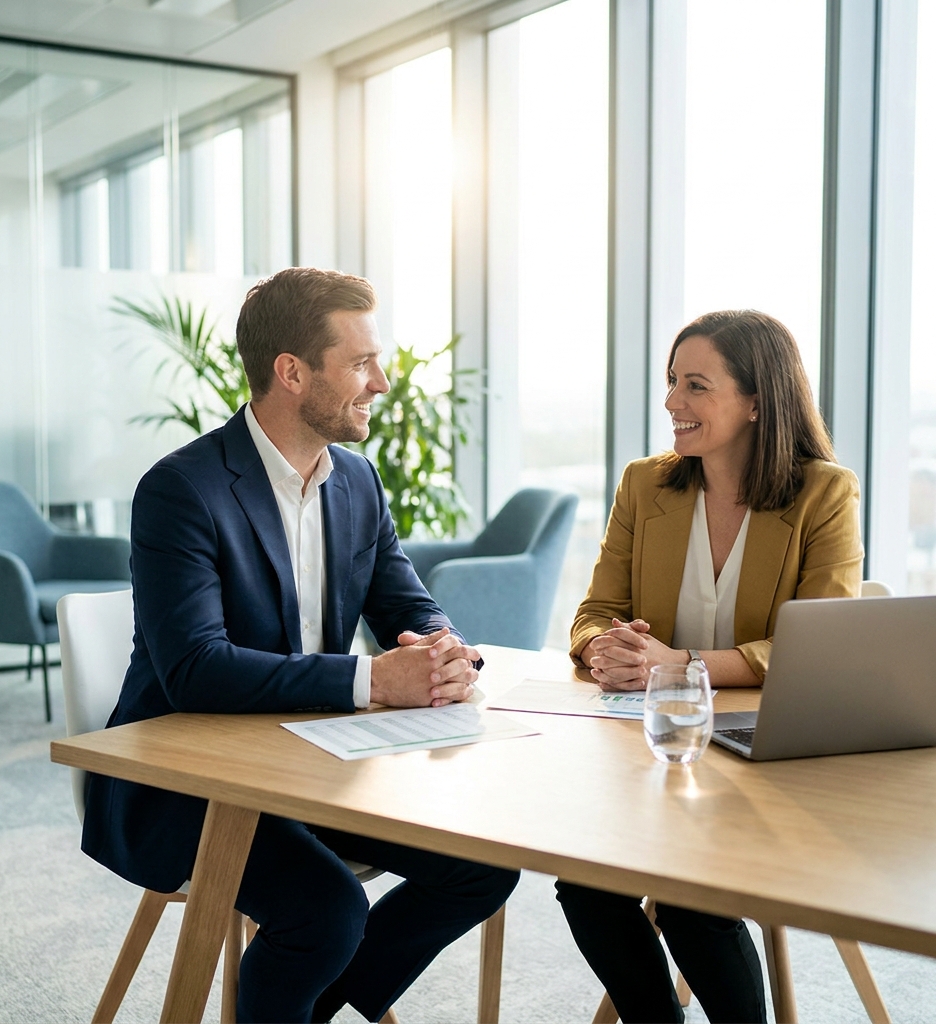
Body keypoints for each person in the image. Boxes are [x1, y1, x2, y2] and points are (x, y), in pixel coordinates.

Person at [81, 267, 519, 1024]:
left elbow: (408, 606)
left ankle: (302, 1011)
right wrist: (375, 682)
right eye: (360, 363)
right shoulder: (182, 490)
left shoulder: (358, 481)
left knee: (482, 864)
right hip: (185, 784)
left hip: (315, 768)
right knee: (327, 910)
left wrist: (447, 652)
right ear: (291, 372)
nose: (381, 382)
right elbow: (195, 671)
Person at [557, 310, 863, 1023]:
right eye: (671, 382)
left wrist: (682, 663)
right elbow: (595, 608)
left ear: (759, 400)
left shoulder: (825, 493)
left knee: (693, 902)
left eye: (696, 385)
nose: (672, 402)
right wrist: (603, 647)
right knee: (583, 877)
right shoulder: (645, 486)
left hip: (769, 755)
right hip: (656, 752)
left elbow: (820, 644)